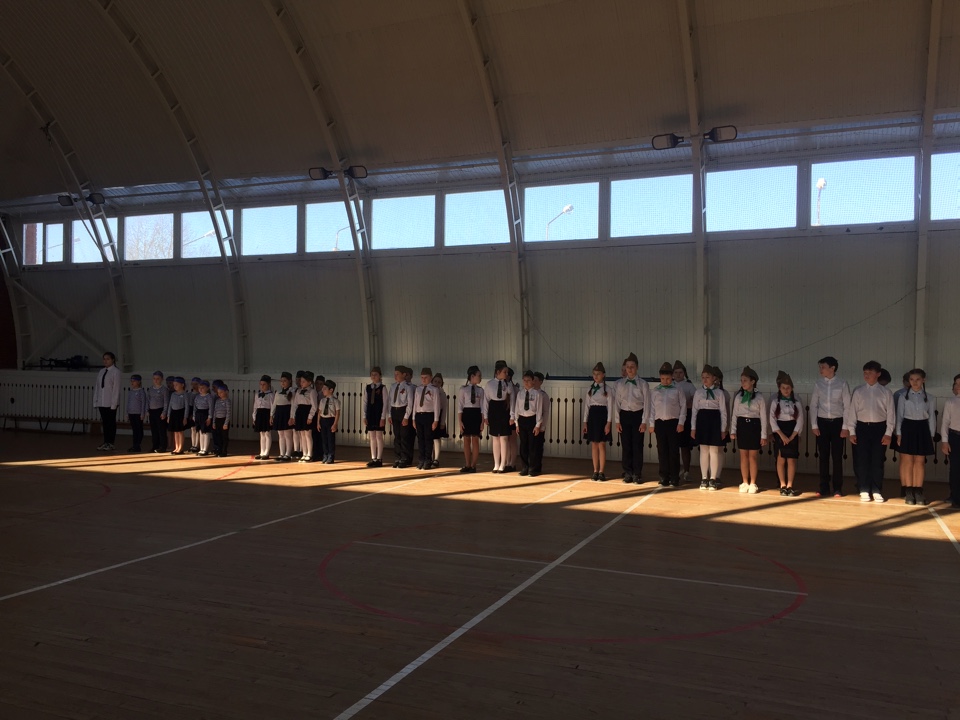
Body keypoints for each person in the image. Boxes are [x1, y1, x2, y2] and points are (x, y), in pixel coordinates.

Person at [845, 360, 895, 503]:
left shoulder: (886, 392)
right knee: (862, 460)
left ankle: (877, 489)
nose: (866, 375)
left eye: (870, 373)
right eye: (865, 373)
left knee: (877, 460)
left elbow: (891, 414)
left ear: (878, 374)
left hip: (879, 428)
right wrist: (852, 431)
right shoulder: (859, 391)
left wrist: (888, 433)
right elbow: (853, 412)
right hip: (862, 428)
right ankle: (864, 489)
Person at [809, 356, 851, 497]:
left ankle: (837, 487)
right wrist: (814, 424)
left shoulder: (842, 384)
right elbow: (814, 405)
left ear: (832, 368)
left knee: (837, 456)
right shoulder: (818, 384)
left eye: (823, 367)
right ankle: (824, 487)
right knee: (823, 456)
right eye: (820, 367)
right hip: (822, 422)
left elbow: (847, 406)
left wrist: (845, 427)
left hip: (838, 422)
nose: (821, 370)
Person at [895, 368, 936, 506]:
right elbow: (899, 417)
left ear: (923, 380)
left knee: (919, 461)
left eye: (918, 379)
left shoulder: (929, 397)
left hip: (922, 428)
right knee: (907, 461)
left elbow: (931, 418)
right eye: (912, 379)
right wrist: (899, 433)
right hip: (907, 428)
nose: (915, 382)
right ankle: (908, 491)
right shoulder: (903, 397)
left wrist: (931, 435)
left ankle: (918, 490)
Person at [730, 366, 768, 494]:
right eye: (741, 380)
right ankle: (745, 481)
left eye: (745, 380)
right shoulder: (738, 397)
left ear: (753, 381)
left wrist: (763, 435)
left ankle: (753, 483)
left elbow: (763, 417)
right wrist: (733, 430)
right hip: (742, 426)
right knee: (743, 456)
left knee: (753, 456)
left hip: (754, 426)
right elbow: (735, 414)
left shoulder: (759, 397)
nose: (743, 383)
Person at [648, 361, 687, 488]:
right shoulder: (656, 391)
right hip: (660, 423)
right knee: (662, 450)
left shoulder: (677, 389)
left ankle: (674, 477)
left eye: (668, 379)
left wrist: (681, 423)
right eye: (663, 379)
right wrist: (651, 423)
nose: (665, 381)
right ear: (660, 377)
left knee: (673, 450)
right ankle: (664, 476)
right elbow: (652, 408)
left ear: (672, 377)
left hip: (673, 423)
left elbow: (683, 407)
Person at [691, 365, 728, 491]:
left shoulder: (719, 393)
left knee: (714, 450)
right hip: (702, 421)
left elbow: (723, 412)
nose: (705, 380)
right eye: (703, 377)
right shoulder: (698, 392)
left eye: (707, 377)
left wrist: (723, 429)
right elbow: (694, 411)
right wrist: (693, 428)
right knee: (703, 450)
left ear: (713, 378)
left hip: (714, 421)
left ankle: (713, 478)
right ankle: (704, 478)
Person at [615, 352, 649, 484]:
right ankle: (628, 472)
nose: (629, 369)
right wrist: (617, 421)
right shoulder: (620, 384)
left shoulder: (643, 384)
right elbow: (617, 403)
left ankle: (637, 473)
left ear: (637, 367)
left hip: (637, 415)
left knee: (637, 445)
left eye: (632, 366)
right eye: (627, 367)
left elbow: (647, 404)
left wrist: (644, 421)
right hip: (624, 415)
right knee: (626, 445)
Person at [770, 371, 803, 496]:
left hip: (792, 431)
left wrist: (793, 435)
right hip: (780, 431)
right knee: (781, 459)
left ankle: (790, 485)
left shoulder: (797, 402)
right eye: (783, 387)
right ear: (780, 388)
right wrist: (781, 435)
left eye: (788, 388)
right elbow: (772, 420)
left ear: (792, 388)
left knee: (791, 460)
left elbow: (800, 420)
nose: (786, 390)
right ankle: (782, 484)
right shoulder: (775, 402)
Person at [582, 362, 613, 481]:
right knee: (594, 444)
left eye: (598, 374)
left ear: (603, 375)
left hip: (602, 416)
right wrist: (585, 422)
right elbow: (587, 406)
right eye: (594, 374)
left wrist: (608, 423)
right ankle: (595, 470)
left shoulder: (608, 389)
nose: (596, 376)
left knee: (602, 444)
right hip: (592, 416)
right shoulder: (590, 389)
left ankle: (601, 471)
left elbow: (610, 407)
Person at [483, 361, 514, 474]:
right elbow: (486, 401)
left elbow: (512, 400)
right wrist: (485, 415)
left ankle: (503, 464)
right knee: (495, 437)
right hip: (494, 409)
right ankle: (496, 463)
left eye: (507, 372)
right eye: (504, 372)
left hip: (504, 409)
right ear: (498, 372)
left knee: (504, 438)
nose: (506, 374)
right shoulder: (489, 384)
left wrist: (512, 415)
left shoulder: (508, 384)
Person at [514, 370, 546, 477]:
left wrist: (538, 425)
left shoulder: (537, 394)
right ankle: (525, 467)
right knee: (523, 445)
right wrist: (517, 423)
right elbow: (517, 408)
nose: (526, 382)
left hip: (532, 420)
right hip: (522, 420)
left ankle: (534, 468)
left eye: (528, 380)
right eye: (524, 380)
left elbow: (539, 410)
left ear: (533, 381)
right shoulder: (520, 394)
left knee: (533, 446)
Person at [412, 368, 441, 470]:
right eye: (422, 377)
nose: (423, 379)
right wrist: (413, 418)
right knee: (420, 439)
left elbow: (436, 405)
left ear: (431, 377)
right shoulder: (418, 389)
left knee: (428, 438)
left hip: (429, 415)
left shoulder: (434, 389)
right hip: (419, 415)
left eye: (426, 377)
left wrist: (436, 420)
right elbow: (415, 404)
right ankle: (421, 460)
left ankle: (428, 460)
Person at [93, 351, 122, 451]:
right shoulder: (101, 371)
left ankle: (111, 442)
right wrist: (96, 400)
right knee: (105, 423)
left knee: (111, 423)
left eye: (108, 359)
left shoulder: (116, 372)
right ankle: (106, 441)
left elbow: (116, 389)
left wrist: (114, 404)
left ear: (112, 360)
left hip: (110, 402)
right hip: (102, 401)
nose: (105, 361)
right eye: (104, 359)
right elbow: (97, 387)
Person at [673, 360, 696, 482]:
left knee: (685, 446)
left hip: (685, 418)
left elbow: (696, 400)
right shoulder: (669, 385)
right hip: (672, 418)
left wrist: (687, 405)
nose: (678, 375)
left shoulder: (689, 386)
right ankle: (673, 471)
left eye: (680, 372)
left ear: (684, 373)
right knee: (673, 446)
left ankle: (686, 471)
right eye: (676, 372)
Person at [458, 366, 484, 473]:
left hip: (476, 414)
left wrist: (482, 421)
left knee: (475, 439)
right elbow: (460, 406)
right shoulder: (463, 389)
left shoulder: (480, 390)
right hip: (467, 414)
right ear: (472, 376)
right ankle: (467, 464)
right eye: (479, 375)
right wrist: (460, 421)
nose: (480, 377)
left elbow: (482, 407)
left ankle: (473, 465)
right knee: (466, 439)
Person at [387, 365, 414, 468]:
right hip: (395, 410)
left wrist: (406, 417)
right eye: (395, 374)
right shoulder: (393, 386)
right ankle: (397, 457)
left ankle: (405, 458)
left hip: (403, 410)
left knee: (404, 436)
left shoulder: (408, 387)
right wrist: (390, 414)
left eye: (398, 374)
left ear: (404, 374)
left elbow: (410, 403)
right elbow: (390, 401)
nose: (395, 376)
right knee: (397, 435)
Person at [940, 374, 960, 509]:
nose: (958, 386)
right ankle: (956, 497)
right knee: (955, 469)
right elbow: (945, 423)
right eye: (956, 384)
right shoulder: (951, 402)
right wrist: (945, 441)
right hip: (955, 437)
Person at [363, 366, 387, 468]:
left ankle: (379, 458)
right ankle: (373, 458)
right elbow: (365, 402)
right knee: (372, 436)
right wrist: (364, 416)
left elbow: (385, 403)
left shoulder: (382, 388)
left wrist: (383, 417)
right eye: (372, 374)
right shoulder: (368, 388)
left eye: (376, 374)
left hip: (378, 414)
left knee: (379, 436)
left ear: (380, 376)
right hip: (370, 414)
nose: (373, 376)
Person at [292, 370, 318, 462]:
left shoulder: (312, 391)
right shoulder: (298, 391)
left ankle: (309, 454)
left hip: (307, 412)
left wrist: (310, 417)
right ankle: (304, 453)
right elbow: (295, 404)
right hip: (300, 413)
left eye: (303, 381)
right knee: (302, 434)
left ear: (309, 382)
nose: (301, 383)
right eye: (301, 381)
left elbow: (314, 406)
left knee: (308, 434)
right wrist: (293, 416)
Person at [271, 371, 295, 462]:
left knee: (288, 435)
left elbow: (293, 405)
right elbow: (274, 404)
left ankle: (288, 454)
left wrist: (292, 417)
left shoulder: (292, 392)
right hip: (279, 413)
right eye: (281, 381)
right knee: (281, 435)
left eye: (285, 381)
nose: (283, 383)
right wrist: (271, 415)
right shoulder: (278, 392)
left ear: (290, 381)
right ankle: (282, 453)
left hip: (286, 414)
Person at [163, 377, 190, 455]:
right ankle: (176, 447)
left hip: (180, 413)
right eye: (174, 385)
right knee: (175, 431)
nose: (175, 386)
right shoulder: (173, 394)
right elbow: (170, 405)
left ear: (182, 385)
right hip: (173, 414)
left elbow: (187, 406)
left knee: (180, 431)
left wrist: (185, 417)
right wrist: (168, 416)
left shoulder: (185, 394)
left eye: (176, 385)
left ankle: (180, 448)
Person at [317, 379, 341, 464]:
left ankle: (331, 455)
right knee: (324, 439)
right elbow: (319, 412)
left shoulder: (335, 401)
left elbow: (337, 413)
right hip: (323, 420)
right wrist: (318, 423)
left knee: (330, 439)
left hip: (331, 420)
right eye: (322, 388)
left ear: (331, 390)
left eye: (325, 389)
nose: (322, 390)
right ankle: (325, 454)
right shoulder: (322, 401)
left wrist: (335, 424)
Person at [252, 374, 274, 460]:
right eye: (261, 384)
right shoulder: (257, 394)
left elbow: (272, 406)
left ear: (269, 384)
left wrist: (271, 416)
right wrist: (254, 416)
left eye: (264, 384)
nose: (262, 386)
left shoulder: (271, 395)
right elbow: (255, 406)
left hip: (266, 413)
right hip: (259, 413)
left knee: (267, 433)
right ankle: (262, 452)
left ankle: (266, 452)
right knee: (261, 434)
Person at [146, 370, 168, 453]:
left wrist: (164, 412)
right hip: (152, 411)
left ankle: (163, 446)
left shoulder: (164, 389)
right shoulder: (151, 389)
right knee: (154, 430)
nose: (156, 380)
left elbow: (166, 402)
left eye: (158, 378)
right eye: (154, 378)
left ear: (162, 379)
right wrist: (147, 410)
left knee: (161, 430)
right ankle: (155, 446)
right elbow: (148, 400)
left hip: (160, 411)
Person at [192, 379, 215, 456]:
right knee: (200, 432)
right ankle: (201, 448)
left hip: (205, 414)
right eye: (199, 388)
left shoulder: (209, 397)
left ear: (207, 388)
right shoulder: (197, 396)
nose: (201, 389)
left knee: (206, 432)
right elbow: (195, 407)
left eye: (203, 388)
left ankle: (205, 449)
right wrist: (194, 416)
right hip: (198, 414)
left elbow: (211, 408)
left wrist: (209, 417)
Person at [125, 374, 147, 453]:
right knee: (134, 430)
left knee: (139, 429)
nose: (132, 382)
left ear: (138, 382)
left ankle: (138, 445)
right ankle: (134, 445)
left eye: (134, 381)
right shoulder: (131, 392)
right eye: (131, 381)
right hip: (131, 413)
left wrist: (142, 413)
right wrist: (127, 413)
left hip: (138, 414)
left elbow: (143, 403)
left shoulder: (141, 392)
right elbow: (128, 402)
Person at [431, 373, 449, 469]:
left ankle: (436, 458)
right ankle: (429, 457)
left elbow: (444, 409)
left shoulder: (442, 394)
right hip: (430, 416)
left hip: (438, 416)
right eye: (435, 381)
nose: (437, 383)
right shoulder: (429, 391)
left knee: (436, 438)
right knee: (429, 438)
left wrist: (442, 422)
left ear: (441, 384)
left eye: (439, 382)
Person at [212, 383, 232, 458]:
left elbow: (228, 412)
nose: (219, 394)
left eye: (221, 392)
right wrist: (214, 422)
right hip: (217, 420)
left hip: (224, 420)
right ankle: (219, 450)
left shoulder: (227, 401)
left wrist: (226, 423)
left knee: (224, 437)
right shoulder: (217, 401)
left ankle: (224, 451)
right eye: (218, 393)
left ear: (226, 392)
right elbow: (215, 412)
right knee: (218, 436)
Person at [186, 377, 201, 452]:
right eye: (193, 384)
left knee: (197, 429)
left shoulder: (200, 394)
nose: (194, 386)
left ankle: (197, 445)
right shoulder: (189, 394)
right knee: (192, 429)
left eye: (196, 384)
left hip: (198, 411)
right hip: (191, 411)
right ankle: (193, 444)